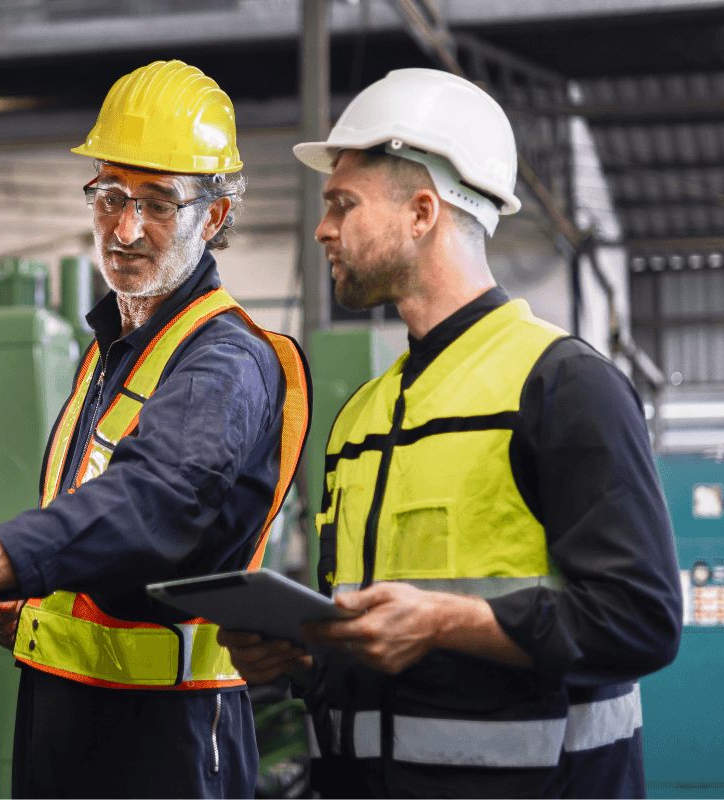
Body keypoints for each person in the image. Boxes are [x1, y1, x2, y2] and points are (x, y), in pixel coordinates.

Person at [0, 60, 311, 798]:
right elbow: (102, 550)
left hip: (167, 750)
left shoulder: (227, 361)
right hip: (71, 733)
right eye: (110, 195)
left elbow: (156, 501)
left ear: (213, 217)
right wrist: (37, 615)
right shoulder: (110, 352)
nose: (125, 228)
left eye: (158, 203)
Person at [218, 68, 683, 798]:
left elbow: (642, 620)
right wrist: (302, 658)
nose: (322, 228)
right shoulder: (362, 418)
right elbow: (376, 649)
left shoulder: (564, 386)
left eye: (343, 203)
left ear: (422, 212)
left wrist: (446, 621)